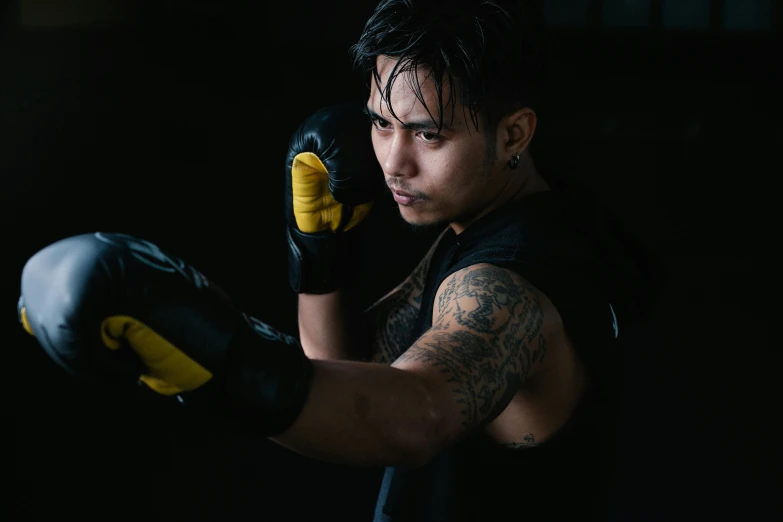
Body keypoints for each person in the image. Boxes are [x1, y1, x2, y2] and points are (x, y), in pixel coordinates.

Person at [18, 0, 659, 520]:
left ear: (514, 133)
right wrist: (319, 253)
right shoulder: (529, 216)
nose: (393, 163)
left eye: (428, 134)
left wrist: (208, 350)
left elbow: (414, 416)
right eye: (382, 123)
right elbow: (345, 374)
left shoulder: (506, 285)